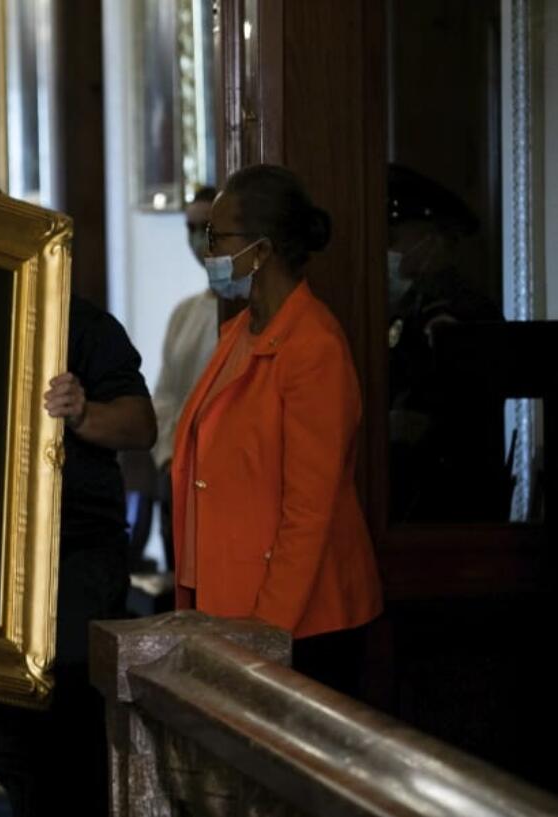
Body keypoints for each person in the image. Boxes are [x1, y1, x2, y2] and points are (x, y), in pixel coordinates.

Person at [173, 164, 382, 697]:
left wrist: (267, 635)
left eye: (219, 238)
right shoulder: (240, 330)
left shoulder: (313, 348)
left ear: (260, 251)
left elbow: (309, 512)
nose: (209, 251)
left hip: (301, 625)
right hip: (233, 608)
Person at [0, 293, 157, 816]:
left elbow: (141, 425)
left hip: (75, 565)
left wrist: (82, 413)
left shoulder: (84, 325)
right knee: (3, 737)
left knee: (73, 738)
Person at [386, 164, 507, 522]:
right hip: (411, 498)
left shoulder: (463, 309)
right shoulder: (408, 306)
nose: (388, 250)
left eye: (395, 239)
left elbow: (443, 413)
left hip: (451, 502)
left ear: (433, 239)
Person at [150, 185, 220, 567]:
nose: (197, 240)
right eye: (190, 228)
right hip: (177, 469)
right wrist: (167, 458)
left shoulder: (240, 314)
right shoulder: (184, 314)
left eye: (206, 227)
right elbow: (165, 397)